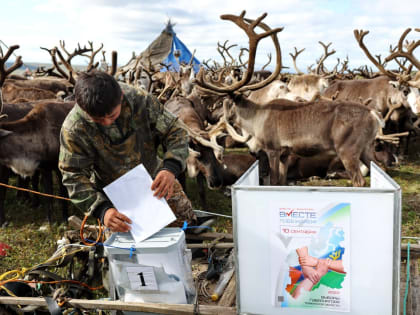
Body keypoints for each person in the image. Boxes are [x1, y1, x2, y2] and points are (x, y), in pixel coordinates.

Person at [59, 70, 196, 232]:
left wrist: (170, 168)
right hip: (114, 197)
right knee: (125, 248)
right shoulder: (73, 129)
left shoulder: (139, 100)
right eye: (98, 120)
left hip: (156, 182)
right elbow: (72, 175)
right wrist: (103, 211)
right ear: (83, 109)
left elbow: (175, 131)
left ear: (121, 97)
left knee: (187, 228)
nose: (107, 123)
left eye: (112, 115)